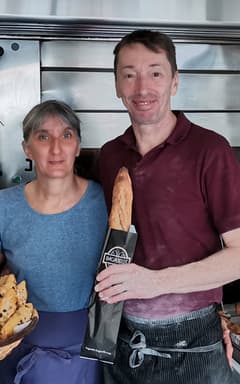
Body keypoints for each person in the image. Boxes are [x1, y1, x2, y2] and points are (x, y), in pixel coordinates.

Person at [96, 29, 240, 383]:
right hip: (122, 340)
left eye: (155, 73)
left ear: (175, 82)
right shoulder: (109, 155)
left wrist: (156, 283)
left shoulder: (210, 150)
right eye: (129, 75)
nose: (142, 88)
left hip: (195, 346)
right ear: (116, 85)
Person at [0, 100, 108, 384]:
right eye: (43, 137)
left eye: (66, 135)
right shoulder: (4, 205)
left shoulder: (106, 202)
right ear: (27, 148)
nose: (56, 148)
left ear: (78, 146)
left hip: (85, 355)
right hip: (15, 351)